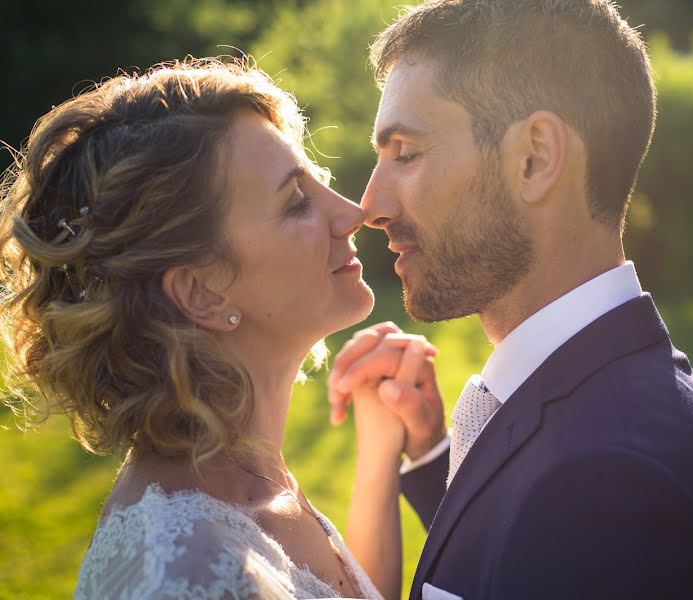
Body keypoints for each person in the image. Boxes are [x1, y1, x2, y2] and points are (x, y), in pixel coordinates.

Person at [329, 1, 693, 598]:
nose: (369, 205)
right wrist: (437, 460)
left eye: (405, 153)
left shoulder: (613, 480)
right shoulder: (597, 422)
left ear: (535, 158)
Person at [0, 57, 413, 599]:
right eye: (295, 202)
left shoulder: (242, 480)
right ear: (200, 292)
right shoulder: (180, 573)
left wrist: (381, 449)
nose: (350, 213)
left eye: (320, 179)